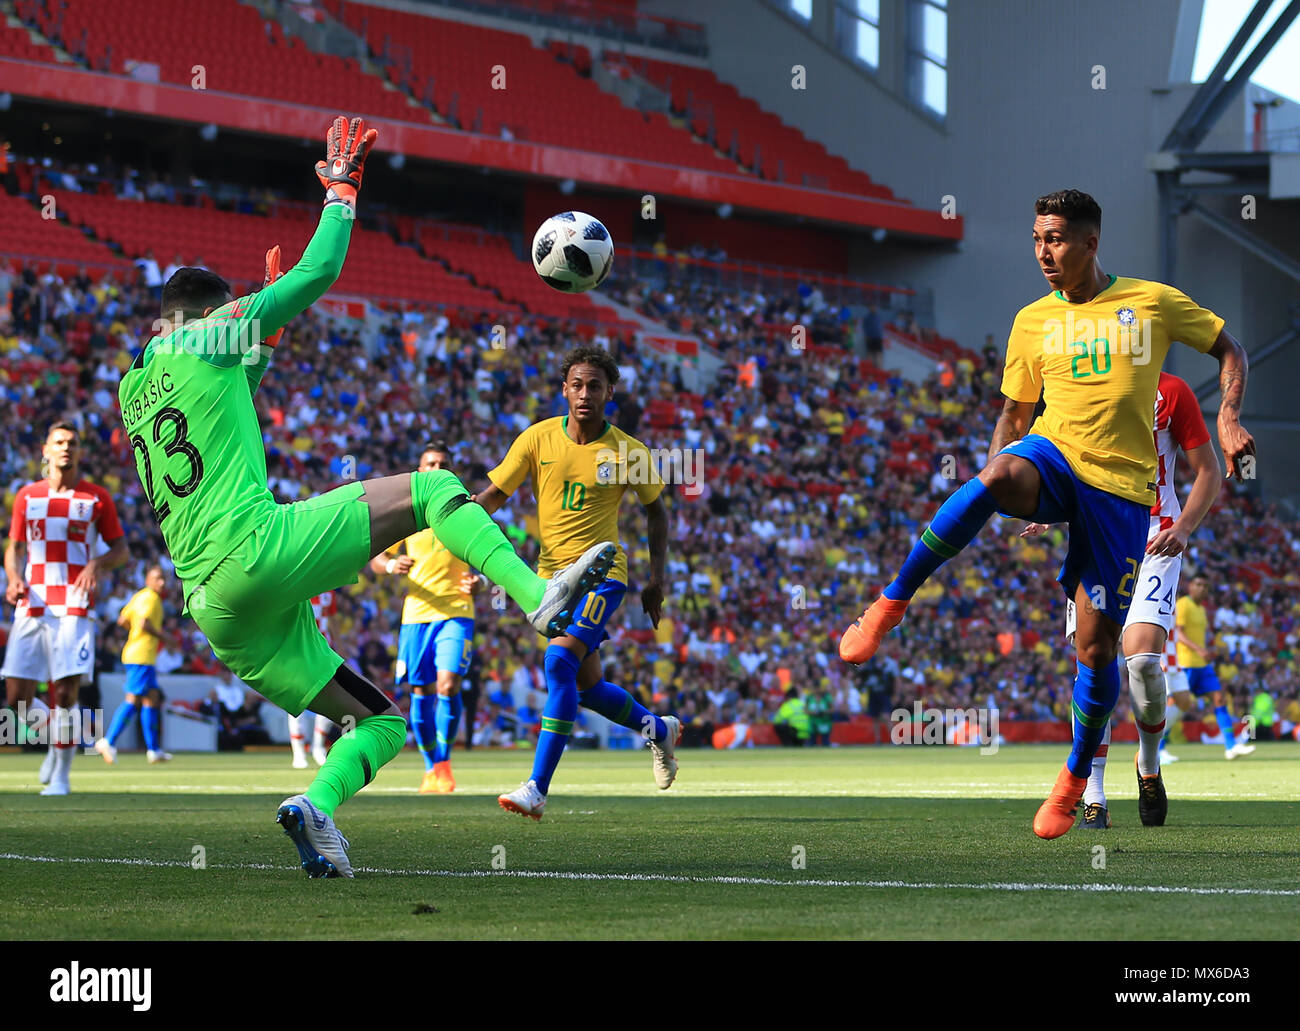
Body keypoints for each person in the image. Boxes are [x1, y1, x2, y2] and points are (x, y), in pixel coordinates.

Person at [117, 115, 615, 878]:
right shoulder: (206, 335)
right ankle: (537, 596)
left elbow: (227, 396)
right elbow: (319, 272)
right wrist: (341, 193)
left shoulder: (134, 388)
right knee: (434, 486)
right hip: (255, 549)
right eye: (230, 311)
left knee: (379, 720)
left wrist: (264, 333)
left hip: (216, 609)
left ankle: (315, 807)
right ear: (207, 315)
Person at [839, 189, 1255, 839]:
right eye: (1037, 238)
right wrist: (1000, 491)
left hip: (1122, 497)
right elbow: (1013, 414)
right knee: (995, 474)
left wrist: (1228, 416)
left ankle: (1074, 781)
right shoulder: (1032, 320)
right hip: (1054, 459)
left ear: (1091, 242)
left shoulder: (1151, 303)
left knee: (1098, 651)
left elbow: (1231, 349)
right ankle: (890, 604)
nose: (1043, 251)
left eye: (1055, 239)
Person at [475, 345, 679, 821]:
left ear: (611, 393)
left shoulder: (629, 451)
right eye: (577, 385)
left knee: (560, 663)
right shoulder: (536, 439)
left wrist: (656, 578)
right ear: (564, 390)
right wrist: (451, 529)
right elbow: (492, 497)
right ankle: (659, 730)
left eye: (595, 386)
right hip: (549, 583)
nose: (585, 394)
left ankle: (536, 789)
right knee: (587, 688)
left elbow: (657, 512)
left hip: (604, 574)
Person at [1026, 371, 1222, 828]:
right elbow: (1063, 459)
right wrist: (1048, 509)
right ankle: (1094, 794)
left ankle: (1148, 763)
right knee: (1095, 665)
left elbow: (1208, 470)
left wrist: (1184, 528)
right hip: (1097, 538)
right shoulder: (1081, 383)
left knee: (1144, 661)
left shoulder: (1171, 390)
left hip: (1156, 539)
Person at [3, 421, 128, 795]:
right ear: (46, 449)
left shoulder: (96, 498)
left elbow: (121, 550)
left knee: (65, 693)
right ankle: (56, 746)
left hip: (75, 604)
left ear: (80, 451)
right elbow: (14, 549)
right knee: (17, 699)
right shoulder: (27, 496)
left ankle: (61, 775)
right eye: (58, 442)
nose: (65, 448)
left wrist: (96, 564)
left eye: (72, 442)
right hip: (33, 602)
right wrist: (13, 577)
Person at [370, 442, 484, 794]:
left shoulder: (467, 510)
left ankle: (444, 765)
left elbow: (487, 556)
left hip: (456, 612)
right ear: (420, 471)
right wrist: (392, 564)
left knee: (448, 685)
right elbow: (376, 558)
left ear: (451, 470)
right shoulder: (406, 516)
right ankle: (430, 767)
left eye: (443, 464)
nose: (436, 468)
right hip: (416, 615)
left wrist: (481, 582)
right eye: (430, 463)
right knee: (421, 691)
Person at [94, 563, 173, 764]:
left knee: (151, 699)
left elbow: (122, 620)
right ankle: (108, 741)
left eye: (163, 578)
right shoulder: (151, 598)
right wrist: (164, 636)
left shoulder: (138, 596)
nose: (162, 583)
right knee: (133, 699)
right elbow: (144, 623)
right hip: (142, 655)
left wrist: (135, 632)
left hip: (138, 653)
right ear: (147, 580)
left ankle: (154, 750)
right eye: (157, 578)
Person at [1173, 575, 1255, 760]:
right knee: (1176, 704)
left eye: (1205, 586)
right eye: (1198, 584)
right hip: (1185, 663)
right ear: (1191, 586)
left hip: (1203, 665)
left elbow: (1201, 636)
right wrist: (1199, 649)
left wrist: (1210, 648)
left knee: (1219, 698)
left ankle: (1231, 747)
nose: (1202, 588)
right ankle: (1159, 749)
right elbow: (1179, 633)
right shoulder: (1183, 604)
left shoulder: (1202, 609)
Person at [287, 591, 340, 769]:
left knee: (329, 701)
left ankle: (318, 747)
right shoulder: (300, 585)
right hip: (299, 650)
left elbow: (332, 619)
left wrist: (339, 646)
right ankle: (298, 751)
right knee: (296, 700)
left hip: (323, 651)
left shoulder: (329, 591)